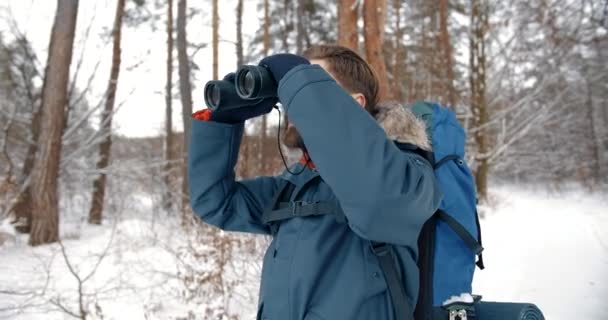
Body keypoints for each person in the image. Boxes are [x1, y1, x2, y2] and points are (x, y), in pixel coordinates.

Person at [189, 44, 442, 320]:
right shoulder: (296, 183)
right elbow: (216, 202)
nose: (293, 103)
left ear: (355, 104)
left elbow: (379, 201)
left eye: (313, 85)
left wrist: (297, 76)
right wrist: (224, 120)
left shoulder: (408, 172)